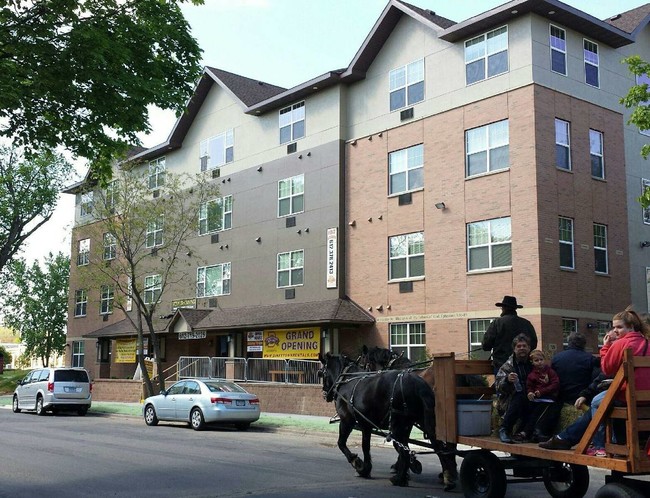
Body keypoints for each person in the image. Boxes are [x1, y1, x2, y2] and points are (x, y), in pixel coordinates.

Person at [540, 308, 650, 453]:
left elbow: (606, 369)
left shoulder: (621, 344)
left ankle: (599, 446)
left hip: (628, 397)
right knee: (601, 403)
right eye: (614, 327)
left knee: (596, 403)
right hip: (646, 396)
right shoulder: (647, 343)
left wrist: (605, 347)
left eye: (619, 327)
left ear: (631, 327)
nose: (615, 330)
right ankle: (565, 438)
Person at [511, 350, 560, 442]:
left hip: (548, 398)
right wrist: (530, 392)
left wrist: (542, 391)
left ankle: (527, 432)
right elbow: (529, 386)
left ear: (544, 360)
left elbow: (555, 384)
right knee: (529, 411)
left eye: (541, 359)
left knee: (539, 412)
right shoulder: (532, 375)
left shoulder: (550, 372)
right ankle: (524, 431)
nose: (539, 362)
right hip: (537, 399)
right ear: (532, 362)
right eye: (536, 360)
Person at [482, 295, 538, 374]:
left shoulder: (497, 323)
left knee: (503, 385)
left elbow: (486, 345)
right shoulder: (526, 323)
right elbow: (533, 344)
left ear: (503, 308)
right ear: (515, 309)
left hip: (501, 365)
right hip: (523, 365)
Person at [495, 334, 533, 443]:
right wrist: (507, 380)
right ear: (514, 349)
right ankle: (504, 429)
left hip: (531, 398)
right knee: (520, 396)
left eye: (524, 346)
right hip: (510, 401)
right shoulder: (507, 366)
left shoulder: (533, 364)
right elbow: (498, 387)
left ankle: (531, 432)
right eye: (519, 346)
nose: (522, 348)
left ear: (529, 348)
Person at [551, 331, 600, 405]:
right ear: (584, 344)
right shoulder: (591, 359)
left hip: (561, 400)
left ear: (569, 342)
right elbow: (596, 380)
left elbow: (552, 378)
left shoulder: (556, 358)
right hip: (582, 399)